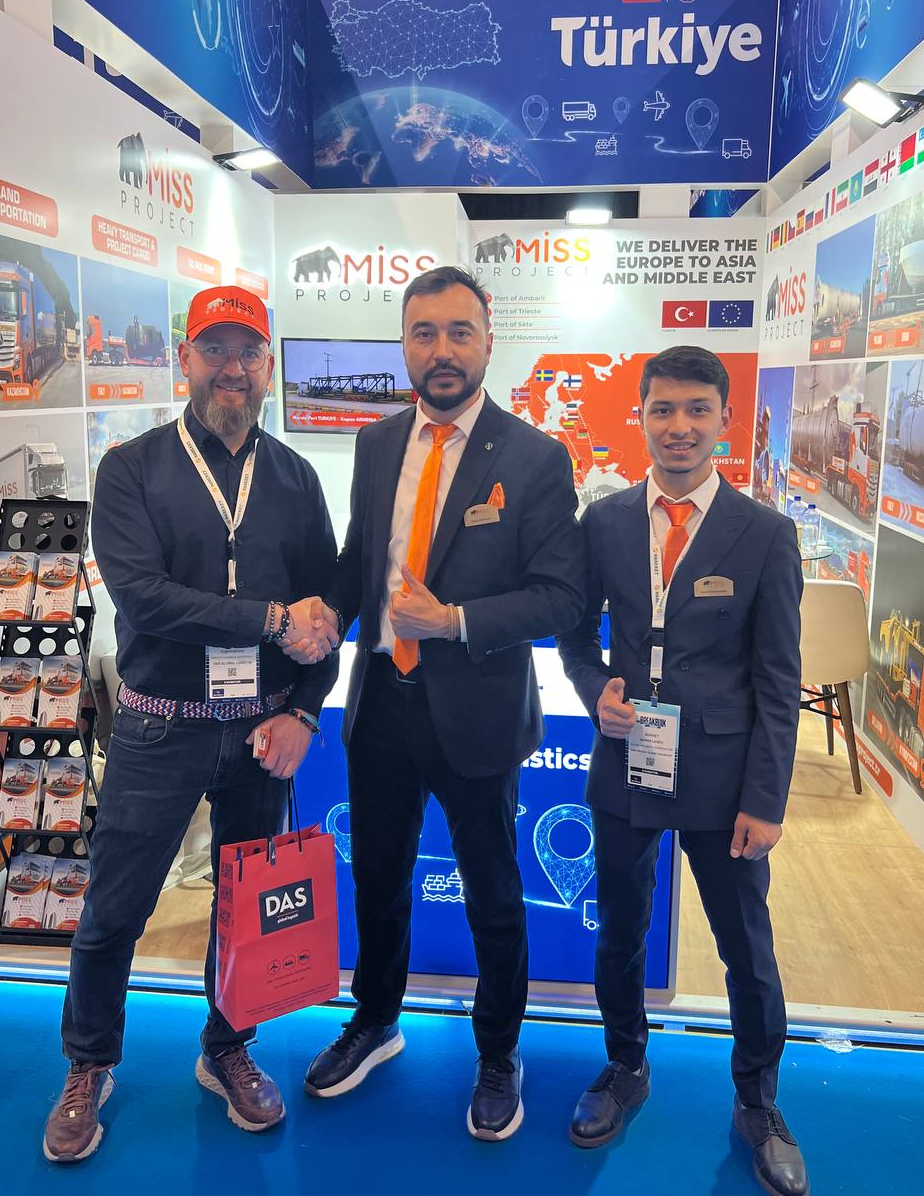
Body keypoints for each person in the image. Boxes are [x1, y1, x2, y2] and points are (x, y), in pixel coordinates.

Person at [43, 286, 340, 1164]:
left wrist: (304, 710)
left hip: (261, 736)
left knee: (245, 911)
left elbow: (326, 613)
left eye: (248, 352)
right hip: (158, 729)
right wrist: (272, 620)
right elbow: (145, 599)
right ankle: (89, 1063)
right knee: (115, 910)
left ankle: (227, 1047)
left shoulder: (296, 478)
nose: (232, 368)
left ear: (268, 366)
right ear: (185, 359)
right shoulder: (131, 468)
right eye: (215, 349)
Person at [297, 265, 584, 1141]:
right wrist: (328, 611)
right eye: (424, 333)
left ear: (489, 341)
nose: (443, 350)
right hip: (382, 702)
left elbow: (560, 596)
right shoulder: (378, 443)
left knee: (492, 891)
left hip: (477, 713)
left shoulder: (534, 458)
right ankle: (376, 1020)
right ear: (404, 346)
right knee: (378, 877)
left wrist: (453, 621)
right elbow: (361, 559)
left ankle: (498, 1052)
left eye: (460, 332)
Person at [557, 345, 808, 1196]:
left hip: (725, 779)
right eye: (662, 408)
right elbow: (574, 637)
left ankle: (759, 1103)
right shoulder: (604, 522)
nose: (679, 426)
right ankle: (625, 1066)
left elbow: (778, 680)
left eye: (698, 409)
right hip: (628, 759)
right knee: (619, 932)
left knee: (746, 949)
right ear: (641, 416)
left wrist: (766, 799)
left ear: (724, 420)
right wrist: (596, 689)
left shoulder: (765, 534)